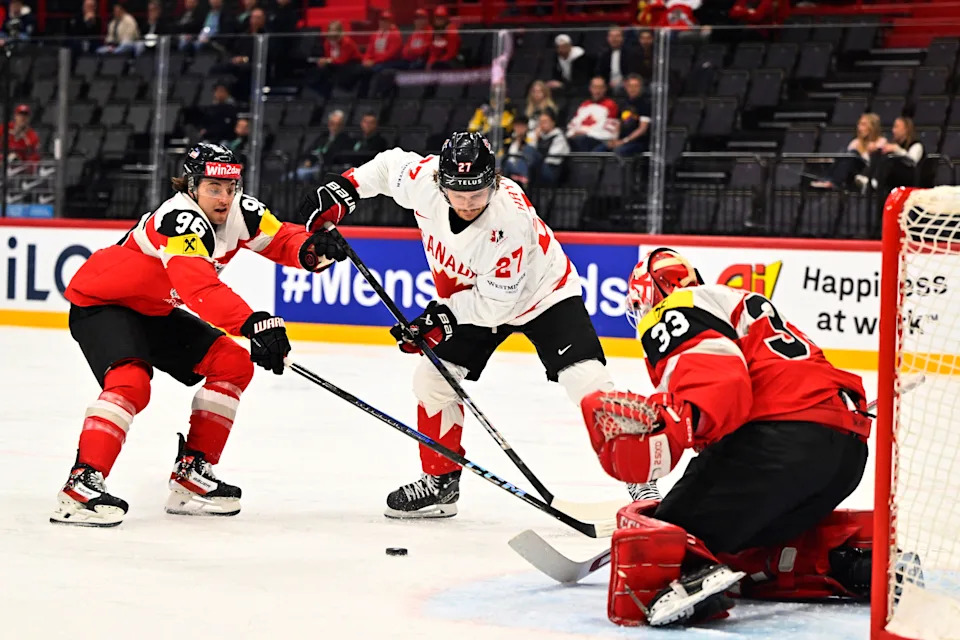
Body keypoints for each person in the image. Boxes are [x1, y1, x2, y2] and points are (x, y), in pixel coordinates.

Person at [299, 131, 615, 518]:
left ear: (494, 182)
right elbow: (386, 167)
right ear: (440, 182)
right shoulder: (424, 179)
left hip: (543, 295)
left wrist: (440, 319)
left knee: (586, 380)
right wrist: (344, 189)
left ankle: (643, 488)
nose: (467, 203)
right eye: (458, 193)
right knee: (431, 381)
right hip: (473, 299)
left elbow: (499, 305)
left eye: (477, 193)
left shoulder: (508, 221)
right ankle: (440, 483)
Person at [50, 143, 347, 527]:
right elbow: (199, 290)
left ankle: (192, 473)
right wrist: (254, 323)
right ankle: (80, 485)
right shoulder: (179, 219)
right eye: (213, 188)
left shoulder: (244, 211)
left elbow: (282, 240)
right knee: (131, 383)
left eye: (230, 187)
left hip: (154, 309)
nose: (225, 197)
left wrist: (312, 249)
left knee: (233, 363)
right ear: (191, 188)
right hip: (102, 305)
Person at [579, 248, 875, 626]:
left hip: (780, 440)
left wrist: (674, 422)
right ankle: (846, 564)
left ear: (655, 291)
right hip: (845, 456)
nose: (643, 318)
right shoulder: (739, 303)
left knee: (669, 539)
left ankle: (691, 578)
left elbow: (720, 382)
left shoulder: (677, 307)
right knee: (740, 543)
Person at [811, 113, 886, 190]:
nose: (859, 128)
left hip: (866, 172)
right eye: (859, 124)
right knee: (844, 153)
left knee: (852, 153)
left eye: (863, 125)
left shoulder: (880, 141)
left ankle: (832, 181)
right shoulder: (856, 142)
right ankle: (827, 180)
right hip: (852, 175)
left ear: (872, 127)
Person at [864, 116, 924, 193]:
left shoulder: (916, 145)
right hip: (893, 180)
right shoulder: (894, 145)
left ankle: (876, 181)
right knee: (878, 155)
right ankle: (868, 179)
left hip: (909, 178)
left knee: (889, 163)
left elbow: (912, 160)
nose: (893, 130)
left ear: (906, 129)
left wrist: (896, 149)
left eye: (896, 127)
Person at [566, 76, 620, 152]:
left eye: (600, 87)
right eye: (595, 87)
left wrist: (586, 132)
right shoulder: (584, 105)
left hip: (598, 139)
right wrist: (573, 133)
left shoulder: (611, 105)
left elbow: (609, 132)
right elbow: (573, 124)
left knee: (582, 140)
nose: (597, 91)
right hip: (579, 138)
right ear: (590, 88)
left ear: (605, 89)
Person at [607, 73, 650, 156]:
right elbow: (618, 123)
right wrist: (614, 139)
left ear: (640, 87)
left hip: (638, 142)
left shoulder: (645, 104)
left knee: (619, 151)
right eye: (630, 86)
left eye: (636, 86)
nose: (632, 89)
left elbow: (642, 129)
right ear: (626, 87)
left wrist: (624, 141)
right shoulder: (623, 103)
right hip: (622, 141)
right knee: (600, 149)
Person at [594, 26, 643, 94]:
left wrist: (624, 82)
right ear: (608, 38)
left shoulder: (631, 54)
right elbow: (600, 73)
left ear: (622, 38)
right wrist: (606, 83)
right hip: (607, 87)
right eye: (612, 36)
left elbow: (633, 72)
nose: (614, 39)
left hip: (626, 87)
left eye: (617, 36)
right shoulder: (603, 55)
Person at [426, 5, 460, 70]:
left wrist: (438, 63)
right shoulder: (433, 30)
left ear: (446, 19)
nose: (439, 20)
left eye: (441, 18)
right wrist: (430, 62)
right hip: (438, 60)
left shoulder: (452, 31)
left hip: (450, 61)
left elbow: (451, 53)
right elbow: (433, 52)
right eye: (437, 18)